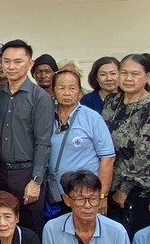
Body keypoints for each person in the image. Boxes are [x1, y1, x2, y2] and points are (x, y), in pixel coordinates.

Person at [104, 53, 150, 238]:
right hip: (108, 182)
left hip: (135, 190)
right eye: (123, 73)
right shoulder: (112, 101)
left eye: (135, 74)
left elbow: (148, 155)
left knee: (132, 238)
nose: (128, 78)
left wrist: (124, 190)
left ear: (148, 76)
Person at [0, 39, 54, 231]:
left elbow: (43, 142)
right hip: (1, 173)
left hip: (27, 174)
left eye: (18, 61)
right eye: (7, 61)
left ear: (30, 64)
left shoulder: (40, 98)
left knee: (31, 229)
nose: (11, 66)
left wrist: (36, 181)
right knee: (2, 227)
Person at [46, 68, 115, 215]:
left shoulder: (92, 118)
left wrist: (102, 196)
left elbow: (107, 159)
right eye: (61, 88)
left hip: (85, 196)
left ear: (80, 91)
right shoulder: (45, 116)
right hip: (54, 194)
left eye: (72, 88)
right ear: (53, 91)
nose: (67, 93)